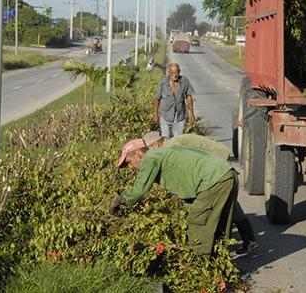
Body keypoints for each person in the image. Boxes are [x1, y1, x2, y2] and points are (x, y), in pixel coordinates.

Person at [109, 138, 238, 256]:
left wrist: (121, 198)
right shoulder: (163, 153)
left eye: (129, 163)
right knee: (220, 222)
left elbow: (140, 191)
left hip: (214, 179)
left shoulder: (150, 158)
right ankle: (219, 261)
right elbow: (187, 186)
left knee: (198, 224)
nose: (131, 168)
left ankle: (201, 263)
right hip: (226, 173)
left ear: (138, 154)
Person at [142, 131, 259, 255]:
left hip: (216, 160)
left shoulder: (171, 147)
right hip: (214, 159)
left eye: (149, 149)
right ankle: (248, 239)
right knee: (228, 202)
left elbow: (186, 170)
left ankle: (246, 240)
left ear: (155, 144)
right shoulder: (170, 144)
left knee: (228, 203)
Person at [153, 63, 195, 137]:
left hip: (179, 116)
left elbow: (189, 96)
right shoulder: (163, 83)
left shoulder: (184, 81)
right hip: (165, 115)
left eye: (176, 73)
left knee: (178, 139)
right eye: (172, 73)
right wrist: (155, 113)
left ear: (179, 71)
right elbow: (157, 99)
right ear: (169, 72)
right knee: (165, 137)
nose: (175, 75)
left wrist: (191, 113)